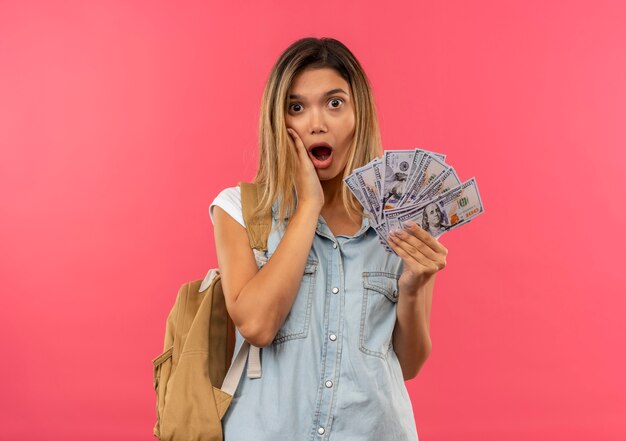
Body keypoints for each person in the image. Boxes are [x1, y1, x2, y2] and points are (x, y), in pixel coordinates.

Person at [210, 37, 448, 441]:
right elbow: (256, 325)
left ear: (359, 115)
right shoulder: (238, 210)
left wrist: (412, 288)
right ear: (278, 120)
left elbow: (408, 364)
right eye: (297, 107)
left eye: (334, 103)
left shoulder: (399, 217)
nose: (316, 123)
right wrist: (308, 207)